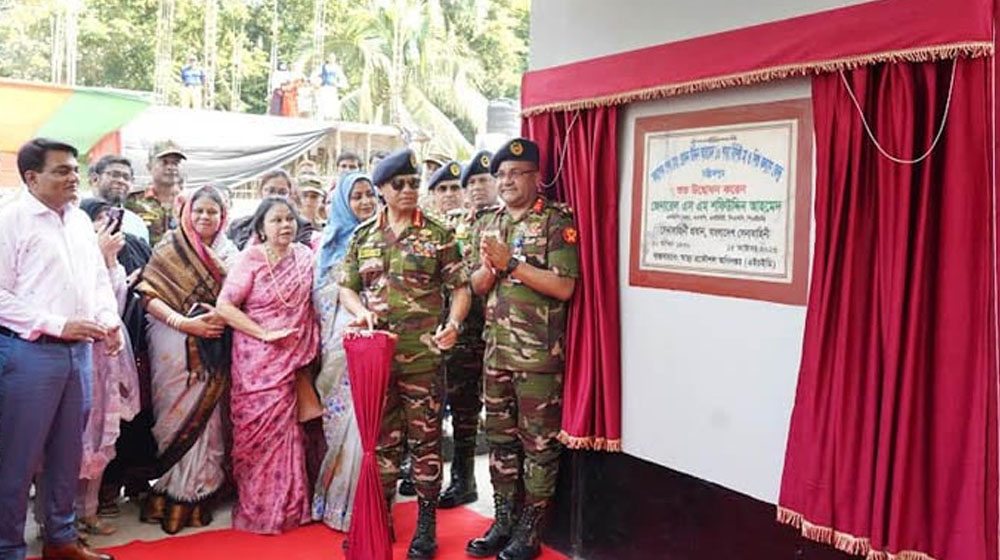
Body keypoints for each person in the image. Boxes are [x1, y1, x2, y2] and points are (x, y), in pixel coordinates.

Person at [339, 148, 471, 559]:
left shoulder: (437, 233)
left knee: (426, 442)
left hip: (424, 358)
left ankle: (427, 525)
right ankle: (381, 518)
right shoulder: (363, 236)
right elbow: (345, 286)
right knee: (379, 444)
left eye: (414, 183)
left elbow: (461, 287)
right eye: (401, 184)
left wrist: (452, 325)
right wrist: (360, 311)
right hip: (377, 361)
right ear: (382, 189)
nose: (410, 190)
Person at [0, 138, 121, 560]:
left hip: (79, 354)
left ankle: (61, 540)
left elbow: (97, 281)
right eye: (61, 171)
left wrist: (109, 321)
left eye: (74, 169)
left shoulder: (79, 221)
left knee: (69, 454)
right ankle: (9, 547)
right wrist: (56, 324)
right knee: (17, 458)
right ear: (32, 177)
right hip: (29, 354)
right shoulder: (11, 220)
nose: (73, 178)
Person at [466, 138, 579, 560]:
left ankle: (531, 528)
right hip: (495, 352)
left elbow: (565, 287)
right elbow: (475, 287)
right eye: (501, 175)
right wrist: (490, 267)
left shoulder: (554, 221)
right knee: (499, 439)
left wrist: (512, 264)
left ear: (535, 177)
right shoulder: (486, 223)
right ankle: (503, 519)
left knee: (538, 445)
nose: (507, 181)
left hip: (538, 358)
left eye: (516, 173)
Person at [134, 186, 238, 535]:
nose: (205, 217)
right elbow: (147, 295)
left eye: (213, 211)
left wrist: (219, 319)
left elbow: (241, 300)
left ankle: (200, 489)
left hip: (213, 346)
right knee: (171, 418)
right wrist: (183, 323)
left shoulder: (230, 252)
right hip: (171, 345)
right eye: (199, 211)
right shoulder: (169, 247)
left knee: (209, 423)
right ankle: (167, 486)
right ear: (186, 214)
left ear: (223, 216)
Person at [216, 197, 319, 534]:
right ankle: (259, 508)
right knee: (256, 437)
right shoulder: (251, 259)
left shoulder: (305, 257)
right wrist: (264, 333)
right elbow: (225, 307)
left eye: (290, 219)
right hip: (255, 359)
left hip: (292, 358)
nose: (285, 226)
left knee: (289, 434)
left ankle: (292, 507)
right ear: (261, 228)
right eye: (276, 220)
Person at [311, 172, 378, 531]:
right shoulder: (327, 243)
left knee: (368, 424)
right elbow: (319, 297)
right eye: (357, 197)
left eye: (370, 195)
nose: (366, 202)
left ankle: (364, 505)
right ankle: (335, 503)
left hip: (372, 340)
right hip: (336, 343)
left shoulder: (383, 237)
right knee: (339, 424)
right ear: (342, 203)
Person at [72, 200, 143, 537]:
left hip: (108, 354)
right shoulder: (72, 257)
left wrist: (108, 260)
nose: (105, 226)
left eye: (108, 220)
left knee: (102, 433)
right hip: (79, 351)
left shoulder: (109, 262)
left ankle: (88, 510)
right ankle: (58, 519)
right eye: (97, 220)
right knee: (71, 437)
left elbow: (116, 302)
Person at [438, 150, 498, 510]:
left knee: (498, 417)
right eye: (471, 182)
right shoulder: (462, 224)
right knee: (462, 409)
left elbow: (477, 281)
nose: (477, 187)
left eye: (483, 180)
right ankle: (463, 478)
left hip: (493, 332)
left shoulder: (502, 223)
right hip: (462, 333)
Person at [227, 169, 315, 250]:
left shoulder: (302, 226)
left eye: (282, 193)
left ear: (290, 195)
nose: (275, 196)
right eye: (270, 191)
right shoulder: (239, 226)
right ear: (260, 192)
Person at [126, 140, 185, 247]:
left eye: (176, 163)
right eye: (164, 162)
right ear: (149, 166)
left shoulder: (190, 203)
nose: (171, 167)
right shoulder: (132, 201)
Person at [88, 155, 149, 243]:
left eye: (126, 177)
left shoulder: (136, 224)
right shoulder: (78, 214)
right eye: (114, 175)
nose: (121, 181)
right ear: (95, 179)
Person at [315, 53, 347, 121]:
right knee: (323, 103)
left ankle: (330, 119)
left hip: (332, 88)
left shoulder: (336, 68)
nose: (332, 59)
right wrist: (317, 83)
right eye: (330, 58)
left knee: (331, 104)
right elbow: (314, 76)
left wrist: (338, 84)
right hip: (324, 88)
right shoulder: (322, 67)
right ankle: (323, 119)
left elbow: (343, 78)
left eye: (333, 58)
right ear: (328, 58)